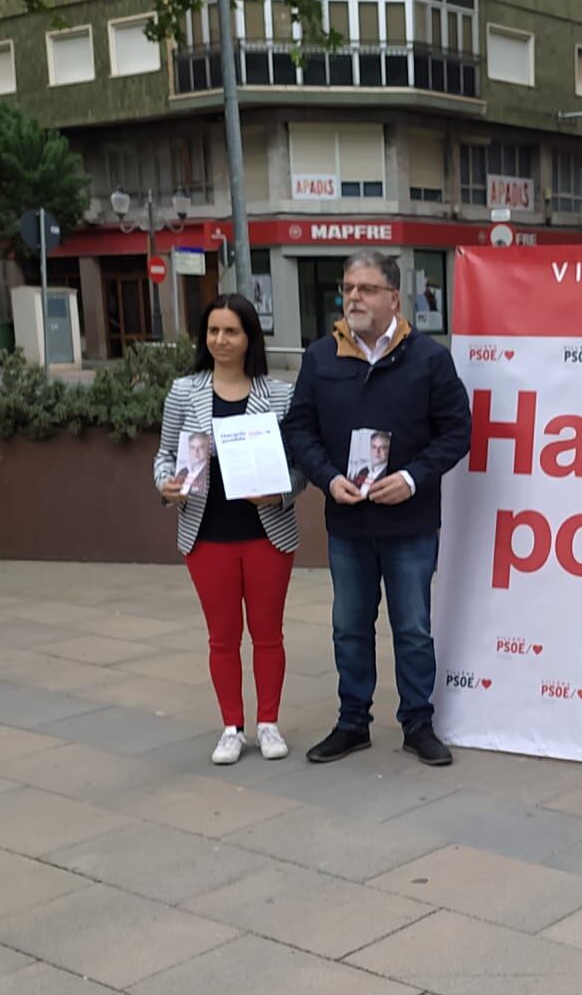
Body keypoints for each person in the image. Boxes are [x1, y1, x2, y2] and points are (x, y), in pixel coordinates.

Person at [282, 249, 472, 766]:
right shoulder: (321, 357)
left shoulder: (429, 358)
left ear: (394, 296)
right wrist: (327, 478)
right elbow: (298, 427)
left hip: (409, 523)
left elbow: (458, 432)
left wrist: (412, 478)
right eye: (347, 289)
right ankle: (352, 722)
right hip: (348, 521)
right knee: (349, 625)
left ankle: (417, 723)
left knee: (413, 627)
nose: (353, 298)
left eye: (365, 289)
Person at [155, 294, 304, 765]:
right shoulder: (184, 391)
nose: (220, 340)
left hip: (266, 533)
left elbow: (300, 464)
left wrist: (281, 493)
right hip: (206, 533)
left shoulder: (278, 393)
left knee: (267, 633)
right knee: (222, 636)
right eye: (213, 331)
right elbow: (163, 458)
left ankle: (269, 724)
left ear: (249, 338)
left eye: (231, 332)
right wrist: (167, 484)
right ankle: (232, 727)